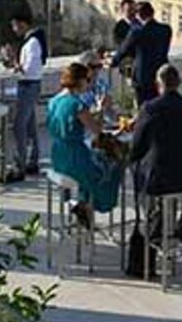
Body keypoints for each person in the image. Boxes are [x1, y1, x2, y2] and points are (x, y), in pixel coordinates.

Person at [128, 65, 182, 258]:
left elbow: (137, 147)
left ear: (158, 84)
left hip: (159, 179)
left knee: (140, 170)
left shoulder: (150, 108)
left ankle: (153, 225)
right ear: (178, 83)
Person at [46, 62, 123, 227]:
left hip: (58, 155)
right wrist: (101, 109)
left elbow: (70, 121)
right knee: (111, 166)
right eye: (87, 79)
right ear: (80, 81)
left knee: (95, 160)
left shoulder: (54, 101)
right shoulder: (77, 104)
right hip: (75, 157)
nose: (89, 83)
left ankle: (83, 205)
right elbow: (96, 129)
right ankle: (91, 205)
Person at [8, 13, 47, 181]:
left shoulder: (32, 43)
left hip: (28, 85)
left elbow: (28, 69)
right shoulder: (32, 41)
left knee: (19, 126)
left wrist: (13, 61)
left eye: (15, 26)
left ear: (22, 24)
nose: (14, 30)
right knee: (30, 126)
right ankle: (33, 160)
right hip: (30, 85)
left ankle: (20, 164)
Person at [111, 1, 172, 106]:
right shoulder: (166, 29)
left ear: (138, 15)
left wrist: (112, 61)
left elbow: (124, 50)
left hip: (142, 77)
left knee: (144, 108)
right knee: (161, 106)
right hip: (162, 74)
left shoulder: (137, 32)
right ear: (152, 13)